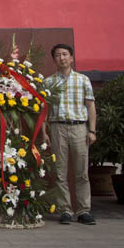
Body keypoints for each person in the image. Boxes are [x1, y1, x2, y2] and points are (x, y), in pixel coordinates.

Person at [42, 43, 97, 225]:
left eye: (65, 54)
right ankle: (65, 210)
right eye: (58, 55)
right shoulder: (49, 82)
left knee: (81, 172)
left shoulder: (83, 80)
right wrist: (44, 132)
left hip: (79, 128)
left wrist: (92, 130)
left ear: (72, 58)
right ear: (54, 60)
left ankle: (83, 210)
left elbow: (90, 106)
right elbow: (44, 110)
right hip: (58, 128)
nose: (62, 58)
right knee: (60, 172)